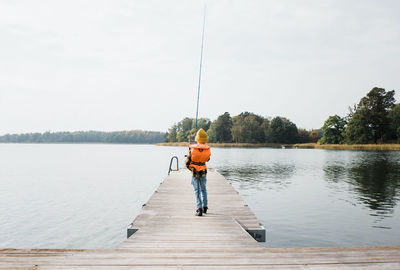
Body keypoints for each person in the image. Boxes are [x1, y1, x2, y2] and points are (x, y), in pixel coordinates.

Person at [185, 128, 211, 216]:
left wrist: (191, 168)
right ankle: (205, 207)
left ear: (197, 139)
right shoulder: (207, 149)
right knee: (204, 189)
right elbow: (208, 159)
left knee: (197, 190)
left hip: (195, 173)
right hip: (203, 171)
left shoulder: (192, 149)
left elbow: (187, 163)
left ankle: (199, 209)